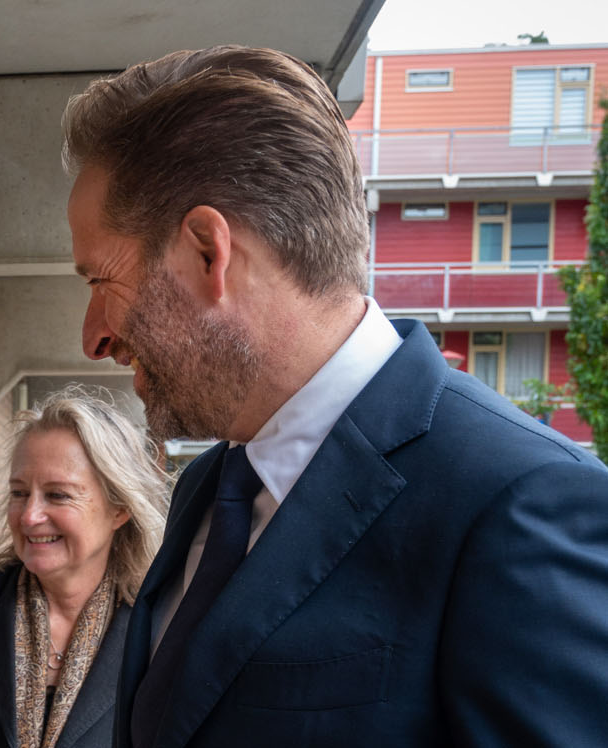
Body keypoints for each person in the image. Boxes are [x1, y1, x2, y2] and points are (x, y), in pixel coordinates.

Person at [62, 45, 608, 747]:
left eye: (97, 280)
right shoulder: (209, 485)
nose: (92, 338)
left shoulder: (520, 502)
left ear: (207, 252)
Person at [0, 388, 168, 748]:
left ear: (120, 509)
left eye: (58, 495)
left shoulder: (158, 629)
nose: (29, 516)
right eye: (19, 493)